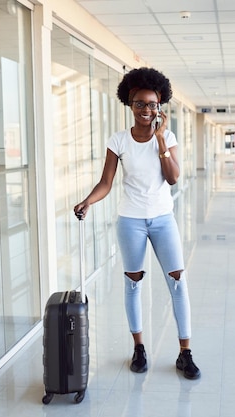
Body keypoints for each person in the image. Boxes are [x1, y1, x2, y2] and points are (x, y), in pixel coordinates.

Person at [73, 67, 200, 380]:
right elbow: (106, 182)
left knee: (177, 282)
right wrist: (88, 200)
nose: (146, 110)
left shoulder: (167, 137)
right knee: (133, 284)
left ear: (160, 105)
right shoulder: (118, 140)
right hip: (130, 220)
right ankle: (139, 348)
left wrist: (158, 140)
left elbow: (172, 177)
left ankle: (185, 353)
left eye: (152, 104)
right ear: (129, 104)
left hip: (162, 219)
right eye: (140, 104)